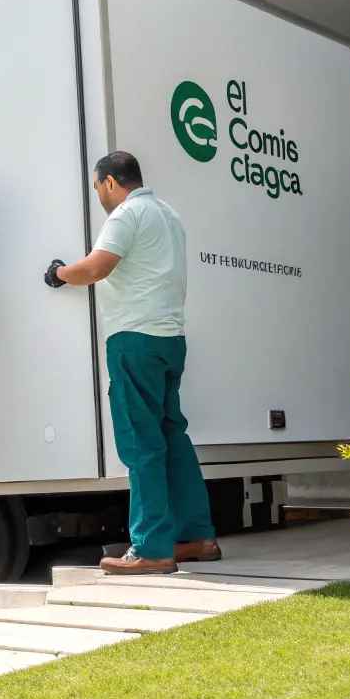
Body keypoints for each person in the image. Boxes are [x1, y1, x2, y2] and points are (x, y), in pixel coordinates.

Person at [43, 151, 219, 574]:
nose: (99, 196)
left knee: (142, 445)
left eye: (97, 187)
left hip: (134, 340)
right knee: (173, 439)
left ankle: (151, 548)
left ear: (108, 181)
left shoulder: (126, 214)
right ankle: (197, 538)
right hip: (170, 340)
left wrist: (59, 273)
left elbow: (97, 268)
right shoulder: (169, 215)